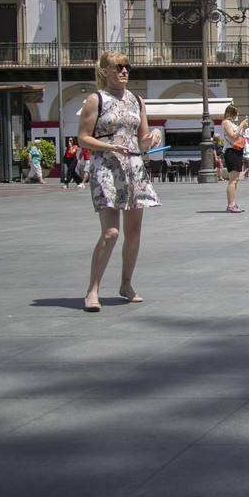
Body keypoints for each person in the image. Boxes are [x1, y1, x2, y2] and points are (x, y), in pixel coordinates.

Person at [78, 50, 160, 313]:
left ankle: (126, 284)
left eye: (127, 67)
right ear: (105, 72)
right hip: (106, 167)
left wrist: (153, 137)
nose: (125, 71)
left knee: (133, 233)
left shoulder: (137, 100)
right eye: (118, 67)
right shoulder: (95, 100)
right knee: (111, 233)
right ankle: (92, 289)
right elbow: (82, 138)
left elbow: (142, 139)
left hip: (134, 167)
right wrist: (109, 146)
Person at [221, 105, 249, 213]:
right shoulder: (226, 122)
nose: (236, 116)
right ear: (231, 113)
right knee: (232, 180)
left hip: (237, 151)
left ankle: (232, 202)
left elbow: (238, 135)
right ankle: (230, 205)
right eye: (235, 114)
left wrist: (243, 127)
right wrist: (241, 125)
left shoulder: (232, 123)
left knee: (235, 180)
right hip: (231, 152)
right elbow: (233, 135)